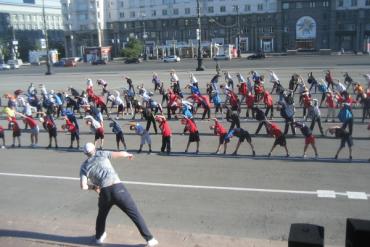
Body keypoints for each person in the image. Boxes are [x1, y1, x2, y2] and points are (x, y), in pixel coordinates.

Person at [79, 143, 158, 246]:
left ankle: (99, 237)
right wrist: (128, 154)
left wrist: (93, 187)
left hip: (104, 193)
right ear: (95, 149)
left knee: (101, 216)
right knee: (134, 214)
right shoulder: (101, 154)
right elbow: (120, 154)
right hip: (118, 188)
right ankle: (150, 239)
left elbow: (83, 186)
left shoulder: (84, 166)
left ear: (85, 153)